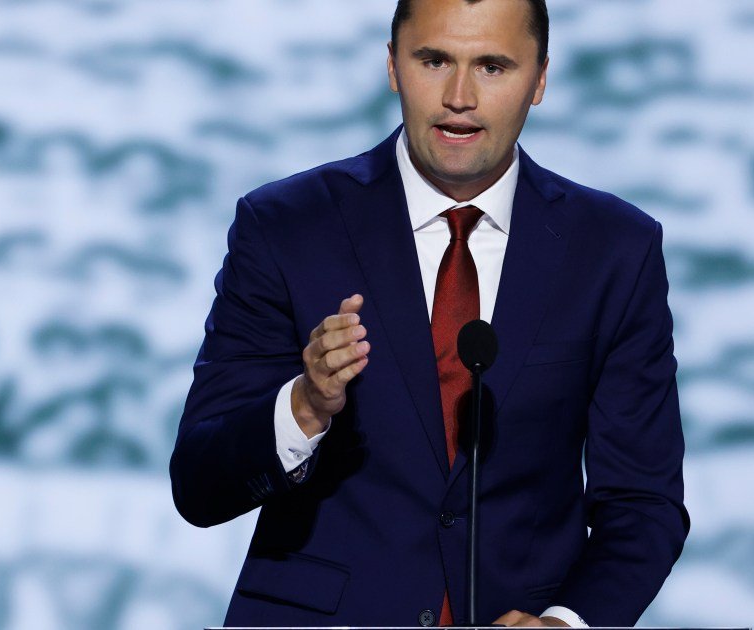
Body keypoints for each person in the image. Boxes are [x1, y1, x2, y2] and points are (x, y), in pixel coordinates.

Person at [169, 0, 689, 626]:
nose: (459, 97)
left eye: (492, 66)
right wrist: (304, 406)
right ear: (393, 66)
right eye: (435, 60)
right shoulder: (286, 227)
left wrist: (564, 622)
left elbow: (642, 503)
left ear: (540, 78)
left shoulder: (614, 250)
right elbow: (198, 487)